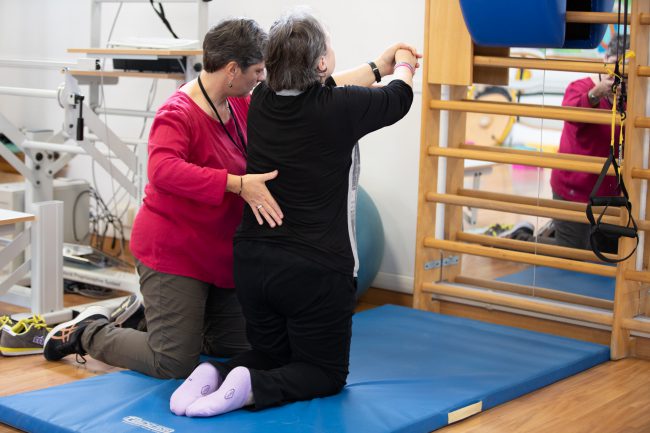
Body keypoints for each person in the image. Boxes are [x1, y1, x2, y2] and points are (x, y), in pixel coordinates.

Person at [169, 11, 418, 417]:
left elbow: (325, 88)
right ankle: (252, 388)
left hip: (253, 263)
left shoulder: (261, 101)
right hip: (314, 271)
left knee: (271, 353)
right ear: (320, 63)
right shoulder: (340, 108)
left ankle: (213, 373)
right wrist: (404, 63)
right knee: (325, 372)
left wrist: (379, 65)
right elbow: (398, 98)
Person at [42, 18, 283, 379]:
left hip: (218, 255)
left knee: (240, 349)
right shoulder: (178, 112)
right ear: (233, 70)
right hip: (175, 253)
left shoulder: (239, 103)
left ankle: (155, 321)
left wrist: (370, 72)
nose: (262, 78)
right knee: (172, 362)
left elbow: (301, 99)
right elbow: (163, 170)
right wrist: (237, 184)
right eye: (258, 71)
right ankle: (87, 332)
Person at [549, 34, 629, 253]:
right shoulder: (581, 87)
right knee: (570, 254)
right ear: (605, 63)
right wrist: (596, 93)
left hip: (609, 196)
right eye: (614, 67)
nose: (619, 77)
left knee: (607, 253)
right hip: (573, 191)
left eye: (625, 72)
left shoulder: (632, 98)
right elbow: (571, 115)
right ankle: (524, 239)